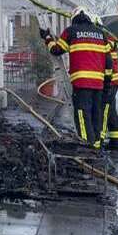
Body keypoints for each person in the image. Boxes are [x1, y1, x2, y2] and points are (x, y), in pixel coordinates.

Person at [41, 11, 110, 148]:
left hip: (81, 82)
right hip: (98, 83)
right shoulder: (101, 34)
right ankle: (96, 145)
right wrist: (106, 83)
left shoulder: (71, 31)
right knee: (96, 113)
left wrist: (47, 38)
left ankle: (86, 147)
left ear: (74, 19)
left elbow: (56, 50)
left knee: (82, 115)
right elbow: (108, 61)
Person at [101, 43, 118, 151]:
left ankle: (99, 140)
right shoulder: (105, 37)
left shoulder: (106, 38)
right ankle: (116, 141)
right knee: (110, 111)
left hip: (110, 81)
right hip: (111, 81)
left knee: (104, 111)